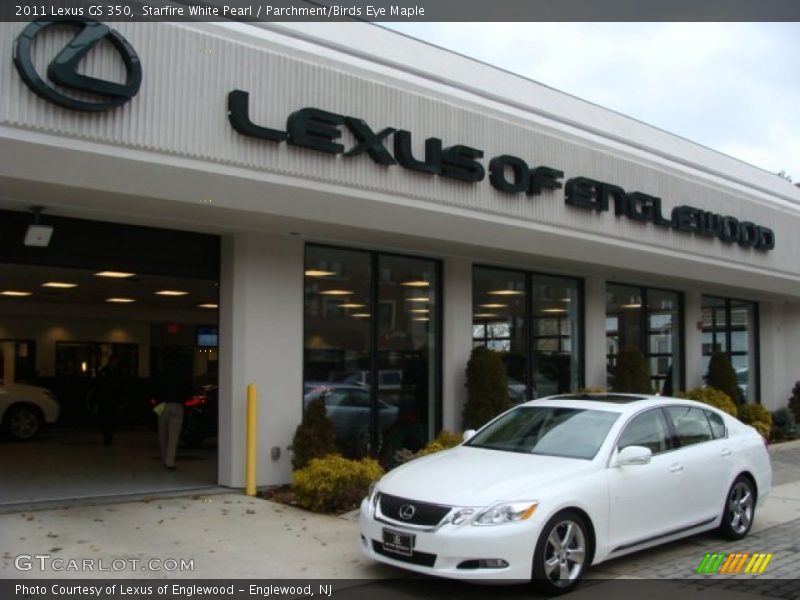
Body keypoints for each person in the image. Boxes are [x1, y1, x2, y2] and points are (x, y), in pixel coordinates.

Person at [157, 356, 190, 470]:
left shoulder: (161, 374)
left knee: (162, 433)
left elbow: (155, 389)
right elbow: (187, 391)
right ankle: (170, 461)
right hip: (177, 405)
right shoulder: (183, 374)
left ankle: (163, 456)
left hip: (162, 405)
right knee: (173, 436)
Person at [95, 355, 123, 446]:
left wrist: (120, 401)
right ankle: (106, 435)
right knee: (103, 419)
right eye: (114, 362)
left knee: (111, 419)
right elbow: (99, 386)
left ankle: (109, 437)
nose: (115, 364)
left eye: (116, 362)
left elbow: (120, 387)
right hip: (104, 399)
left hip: (113, 400)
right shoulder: (104, 371)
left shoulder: (118, 373)